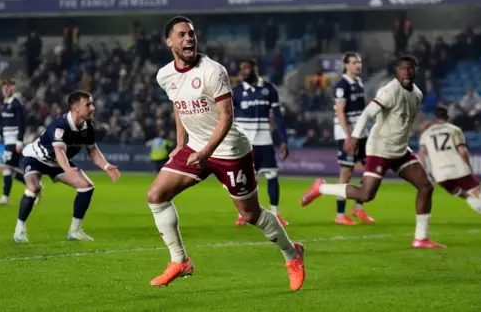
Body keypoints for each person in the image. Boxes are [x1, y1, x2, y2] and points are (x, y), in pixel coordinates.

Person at [147, 16, 305, 290]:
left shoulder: (213, 71)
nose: (189, 39)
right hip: (197, 146)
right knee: (156, 196)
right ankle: (180, 260)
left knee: (250, 215)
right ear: (169, 41)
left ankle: (293, 254)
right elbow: (178, 104)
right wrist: (181, 142)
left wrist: (207, 151)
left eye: (192, 34)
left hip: (230, 149)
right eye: (182, 35)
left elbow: (226, 118)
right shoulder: (165, 75)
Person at [301, 55, 445, 249]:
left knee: (426, 187)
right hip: (380, 149)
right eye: (402, 69)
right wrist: (353, 137)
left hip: (400, 150)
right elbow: (368, 113)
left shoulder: (417, 95)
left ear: (415, 71)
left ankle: (421, 238)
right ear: (396, 71)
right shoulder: (389, 91)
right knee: (365, 195)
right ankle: (321, 188)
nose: (406, 72)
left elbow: (404, 121)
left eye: (410, 69)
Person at [13, 90, 120, 243]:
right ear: (76, 109)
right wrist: (68, 170)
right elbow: (59, 151)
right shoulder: (60, 125)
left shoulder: (87, 127)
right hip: (35, 157)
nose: (93, 108)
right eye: (88, 104)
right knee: (34, 187)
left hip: (56, 162)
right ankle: (19, 230)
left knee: (86, 186)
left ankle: (75, 231)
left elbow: (93, 151)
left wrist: (106, 166)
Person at [305, 52, 374, 225]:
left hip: (361, 133)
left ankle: (358, 208)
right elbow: (340, 112)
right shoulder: (342, 85)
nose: (358, 65)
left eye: (359, 62)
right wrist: (348, 136)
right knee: (346, 173)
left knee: (371, 172)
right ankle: (340, 214)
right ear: (346, 65)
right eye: (354, 62)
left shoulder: (358, 82)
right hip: (348, 134)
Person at [418, 106, 481, 225]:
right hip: (458, 169)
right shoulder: (454, 129)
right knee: (479, 191)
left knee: (466, 196)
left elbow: (421, 154)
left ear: (434, 118)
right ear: (448, 117)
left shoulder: (426, 134)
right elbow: (462, 150)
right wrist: (469, 167)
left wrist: (425, 173)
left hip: (440, 175)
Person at [232, 58, 289, 226]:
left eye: (246, 68)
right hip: (245, 144)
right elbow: (226, 115)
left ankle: (276, 214)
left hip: (265, 141)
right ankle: (243, 213)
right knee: (245, 180)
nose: (243, 72)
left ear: (255, 69)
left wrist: (284, 140)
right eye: (241, 69)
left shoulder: (269, 89)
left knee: (272, 176)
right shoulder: (236, 92)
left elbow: (277, 116)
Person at [0, 79, 27, 206]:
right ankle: (6, 197)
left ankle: (33, 185)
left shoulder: (17, 104)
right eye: (4, 88)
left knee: (7, 167)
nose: (6, 90)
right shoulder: (5, 103)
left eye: (8, 87)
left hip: (13, 141)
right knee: (9, 170)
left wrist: (19, 142)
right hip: (7, 140)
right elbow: (4, 123)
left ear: (13, 88)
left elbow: (22, 123)